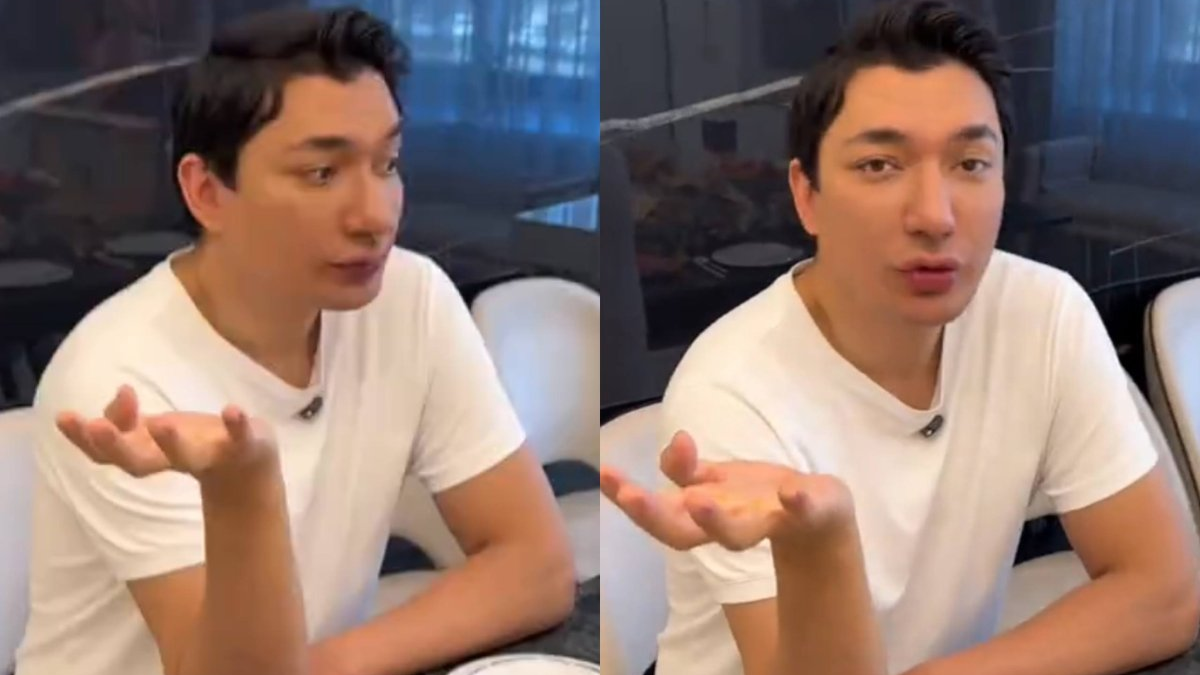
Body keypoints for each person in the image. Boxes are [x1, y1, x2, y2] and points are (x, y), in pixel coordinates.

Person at [600, 1, 1200, 674]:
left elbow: (1165, 591)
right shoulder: (733, 387)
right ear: (807, 195)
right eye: (880, 165)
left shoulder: (1042, 312)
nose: (934, 216)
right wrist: (823, 537)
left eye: (970, 163)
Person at [16, 8, 576, 675]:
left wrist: (319, 666)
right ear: (207, 192)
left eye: (388, 163)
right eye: (321, 173)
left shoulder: (408, 298)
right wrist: (244, 487)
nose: (374, 216)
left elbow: (537, 565)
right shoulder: (119, 381)